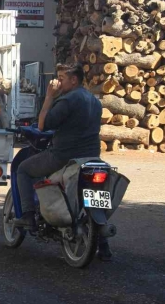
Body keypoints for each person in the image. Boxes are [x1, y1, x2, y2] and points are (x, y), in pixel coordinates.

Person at [13, 63, 112, 259]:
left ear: (73, 80)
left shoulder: (67, 100)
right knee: (94, 197)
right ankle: (104, 246)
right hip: (92, 156)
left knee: (23, 170)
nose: (57, 82)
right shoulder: (95, 100)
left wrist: (49, 96)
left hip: (64, 156)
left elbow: (42, 126)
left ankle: (28, 216)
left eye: (61, 78)